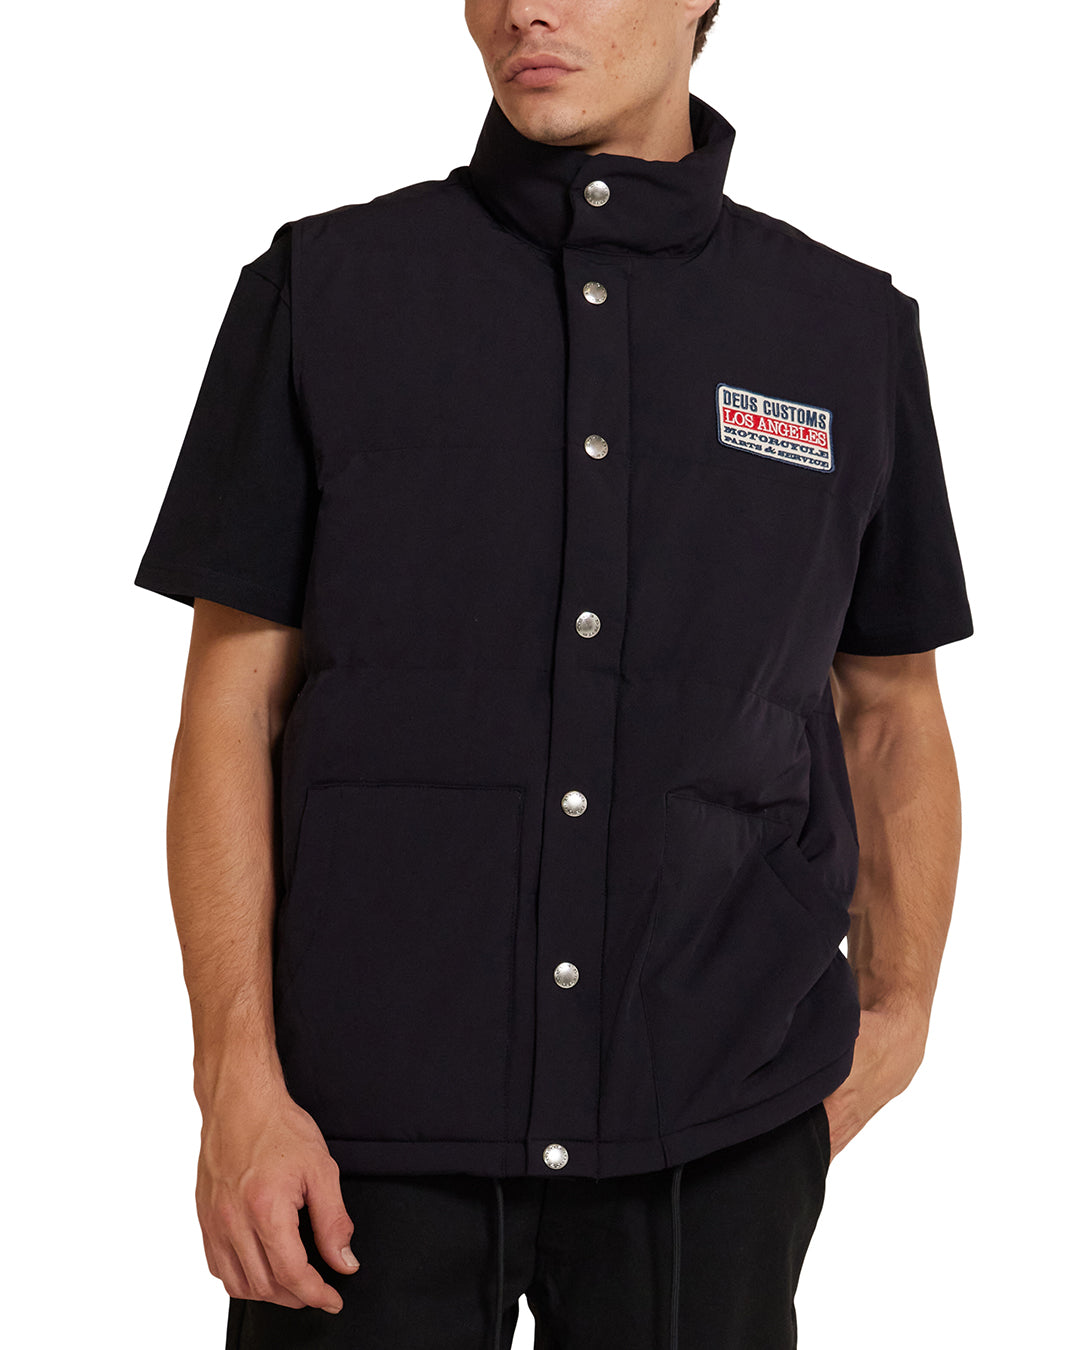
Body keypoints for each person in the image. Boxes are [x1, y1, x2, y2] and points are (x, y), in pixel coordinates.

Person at [133, 2, 973, 1346]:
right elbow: (231, 706)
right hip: (354, 1137)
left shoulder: (844, 332)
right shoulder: (327, 290)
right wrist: (235, 1082)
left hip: (716, 1124)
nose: (525, 7)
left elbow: (890, 708)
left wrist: (902, 1012)